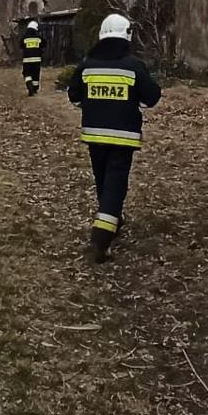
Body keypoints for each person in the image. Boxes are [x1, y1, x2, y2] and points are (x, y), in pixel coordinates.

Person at [68, 13, 161, 263]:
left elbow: (73, 95)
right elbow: (152, 97)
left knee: (103, 180)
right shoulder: (133, 65)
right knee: (115, 184)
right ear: (126, 35)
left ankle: (112, 220)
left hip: (94, 135)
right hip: (123, 137)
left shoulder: (87, 64)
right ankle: (101, 236)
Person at [20, 20, 44, 96]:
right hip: (37, 60)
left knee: (27, 74)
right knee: (36, 75)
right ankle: (35, 89)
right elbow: (44, 44)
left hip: (27, 60)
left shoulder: (24, 38)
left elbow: (21, 45)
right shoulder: (39, 38)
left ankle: (30, 87)